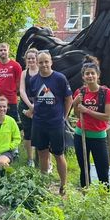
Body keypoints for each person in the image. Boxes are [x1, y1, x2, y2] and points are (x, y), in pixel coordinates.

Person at [28, 51, 73, 195]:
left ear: (51, 62)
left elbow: (69, 99)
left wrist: (63, 117)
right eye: (40, 62)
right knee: (42, 153)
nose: (44, 65)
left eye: (46, 61)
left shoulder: (60, 78)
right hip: (39, 123)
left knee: (59, 154)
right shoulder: (33, 80)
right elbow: (35, 99)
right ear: (37, 63)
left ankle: (63, 185)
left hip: (55, 123)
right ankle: (43, 182)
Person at [72, 56, 110, 188]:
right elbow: (77, 115)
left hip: (98, 137)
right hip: (81, 135)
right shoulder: (80, 92)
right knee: (84, 170)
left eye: (92, 73)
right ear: (83, 77)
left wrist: (87, 110)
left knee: (103, 170)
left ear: (98, 75)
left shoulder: (106, 93)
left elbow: (106, 117)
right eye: (87, 74)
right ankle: (85, 195)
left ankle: (103, 198)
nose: (90, 76)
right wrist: (75, 104)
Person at [19, 48, 39, 167]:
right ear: (26, 60)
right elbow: (22, 90)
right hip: (25, 105)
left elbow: (46, 90)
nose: (31, 60)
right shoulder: (24, 73)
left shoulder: (42, 72)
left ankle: (44, 159)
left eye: (33, 58)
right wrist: (30, 106)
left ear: (37, 59)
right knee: (28, 132)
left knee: (42, 131)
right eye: (29, 58)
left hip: (40, 105)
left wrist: (35, 106)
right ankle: (30, 158)